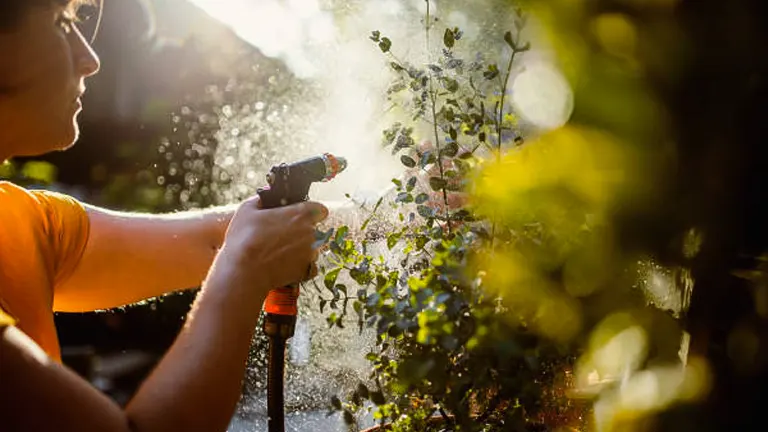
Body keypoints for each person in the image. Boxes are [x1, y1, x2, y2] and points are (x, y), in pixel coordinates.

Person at [0, 1, 329, 430]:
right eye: (63, 23)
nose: (91, 59)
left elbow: (213, 240)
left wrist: (398, 213)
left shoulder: (19, 220)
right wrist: (244, 267)